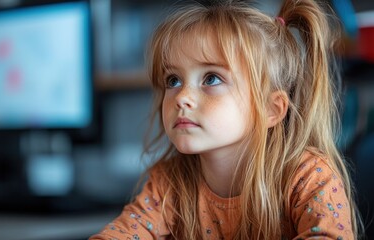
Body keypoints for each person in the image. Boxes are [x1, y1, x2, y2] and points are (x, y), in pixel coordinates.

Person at [90, 0, 363, 239]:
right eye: (173, 80)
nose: (182, 96)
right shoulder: (168, 182)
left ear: (271, 109)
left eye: (211, 78)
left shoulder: (307, 176)